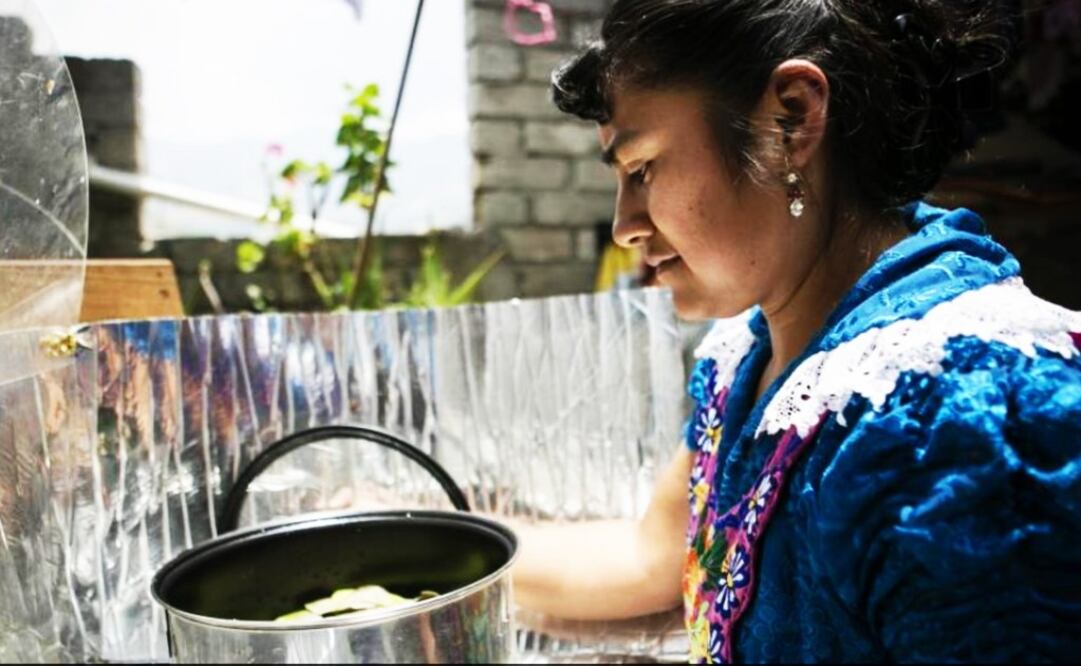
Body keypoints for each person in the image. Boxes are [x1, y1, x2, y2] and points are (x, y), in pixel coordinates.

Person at [505, 0, 1081, 663]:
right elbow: (652, 556)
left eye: (641, 169)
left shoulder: (963, 420)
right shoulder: (754, 358)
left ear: (791, 120)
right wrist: (430, 540)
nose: (624, 227)